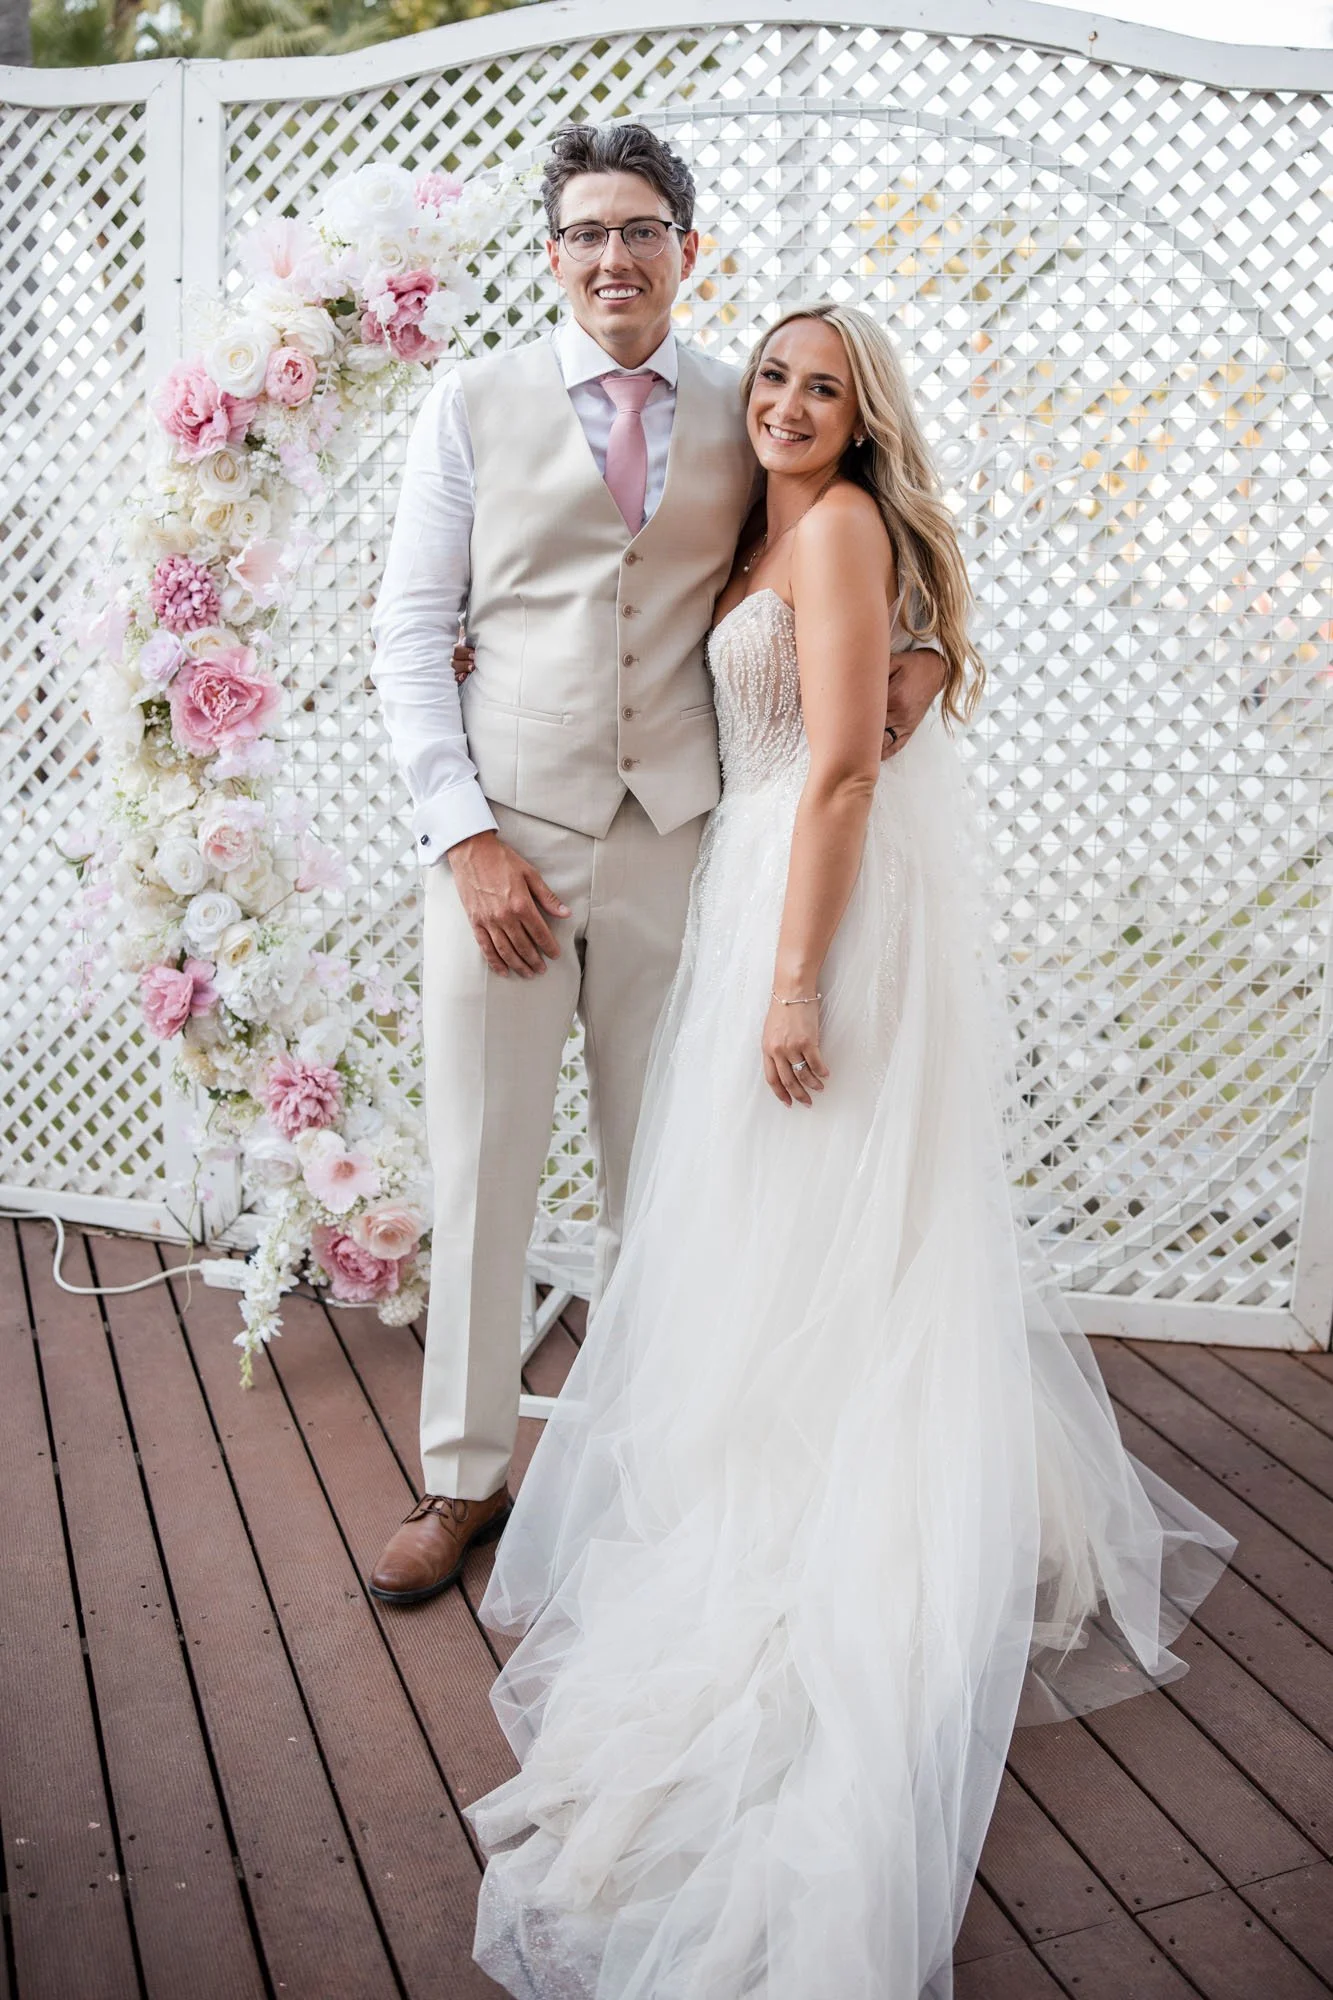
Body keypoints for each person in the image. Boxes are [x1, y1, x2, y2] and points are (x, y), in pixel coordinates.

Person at [461, 303, 1236, 2000]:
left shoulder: (847, 522)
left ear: (865, 415)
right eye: (782, 382)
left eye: (829, 386)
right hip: (747, 884)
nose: (798, 403)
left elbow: (835, 779)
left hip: (806, 907)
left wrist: (797, 979)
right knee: (785, 1236)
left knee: (818, 1212)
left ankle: (843, 1513)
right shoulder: (759, 521)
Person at [367, 124, 946, 1605]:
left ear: (689, 248)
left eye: (642, 229)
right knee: (484, 1168)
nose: (613, 256)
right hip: (504, 844)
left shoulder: (745, 404)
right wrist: (467, 837)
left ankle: (640, 1479)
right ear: (552, 255)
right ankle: (464, 1480)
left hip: (682, 847)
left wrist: (931, 651)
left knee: (670, 1185)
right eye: (585, 233)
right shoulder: (471, 403)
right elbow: (405, 639)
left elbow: (868, 540)